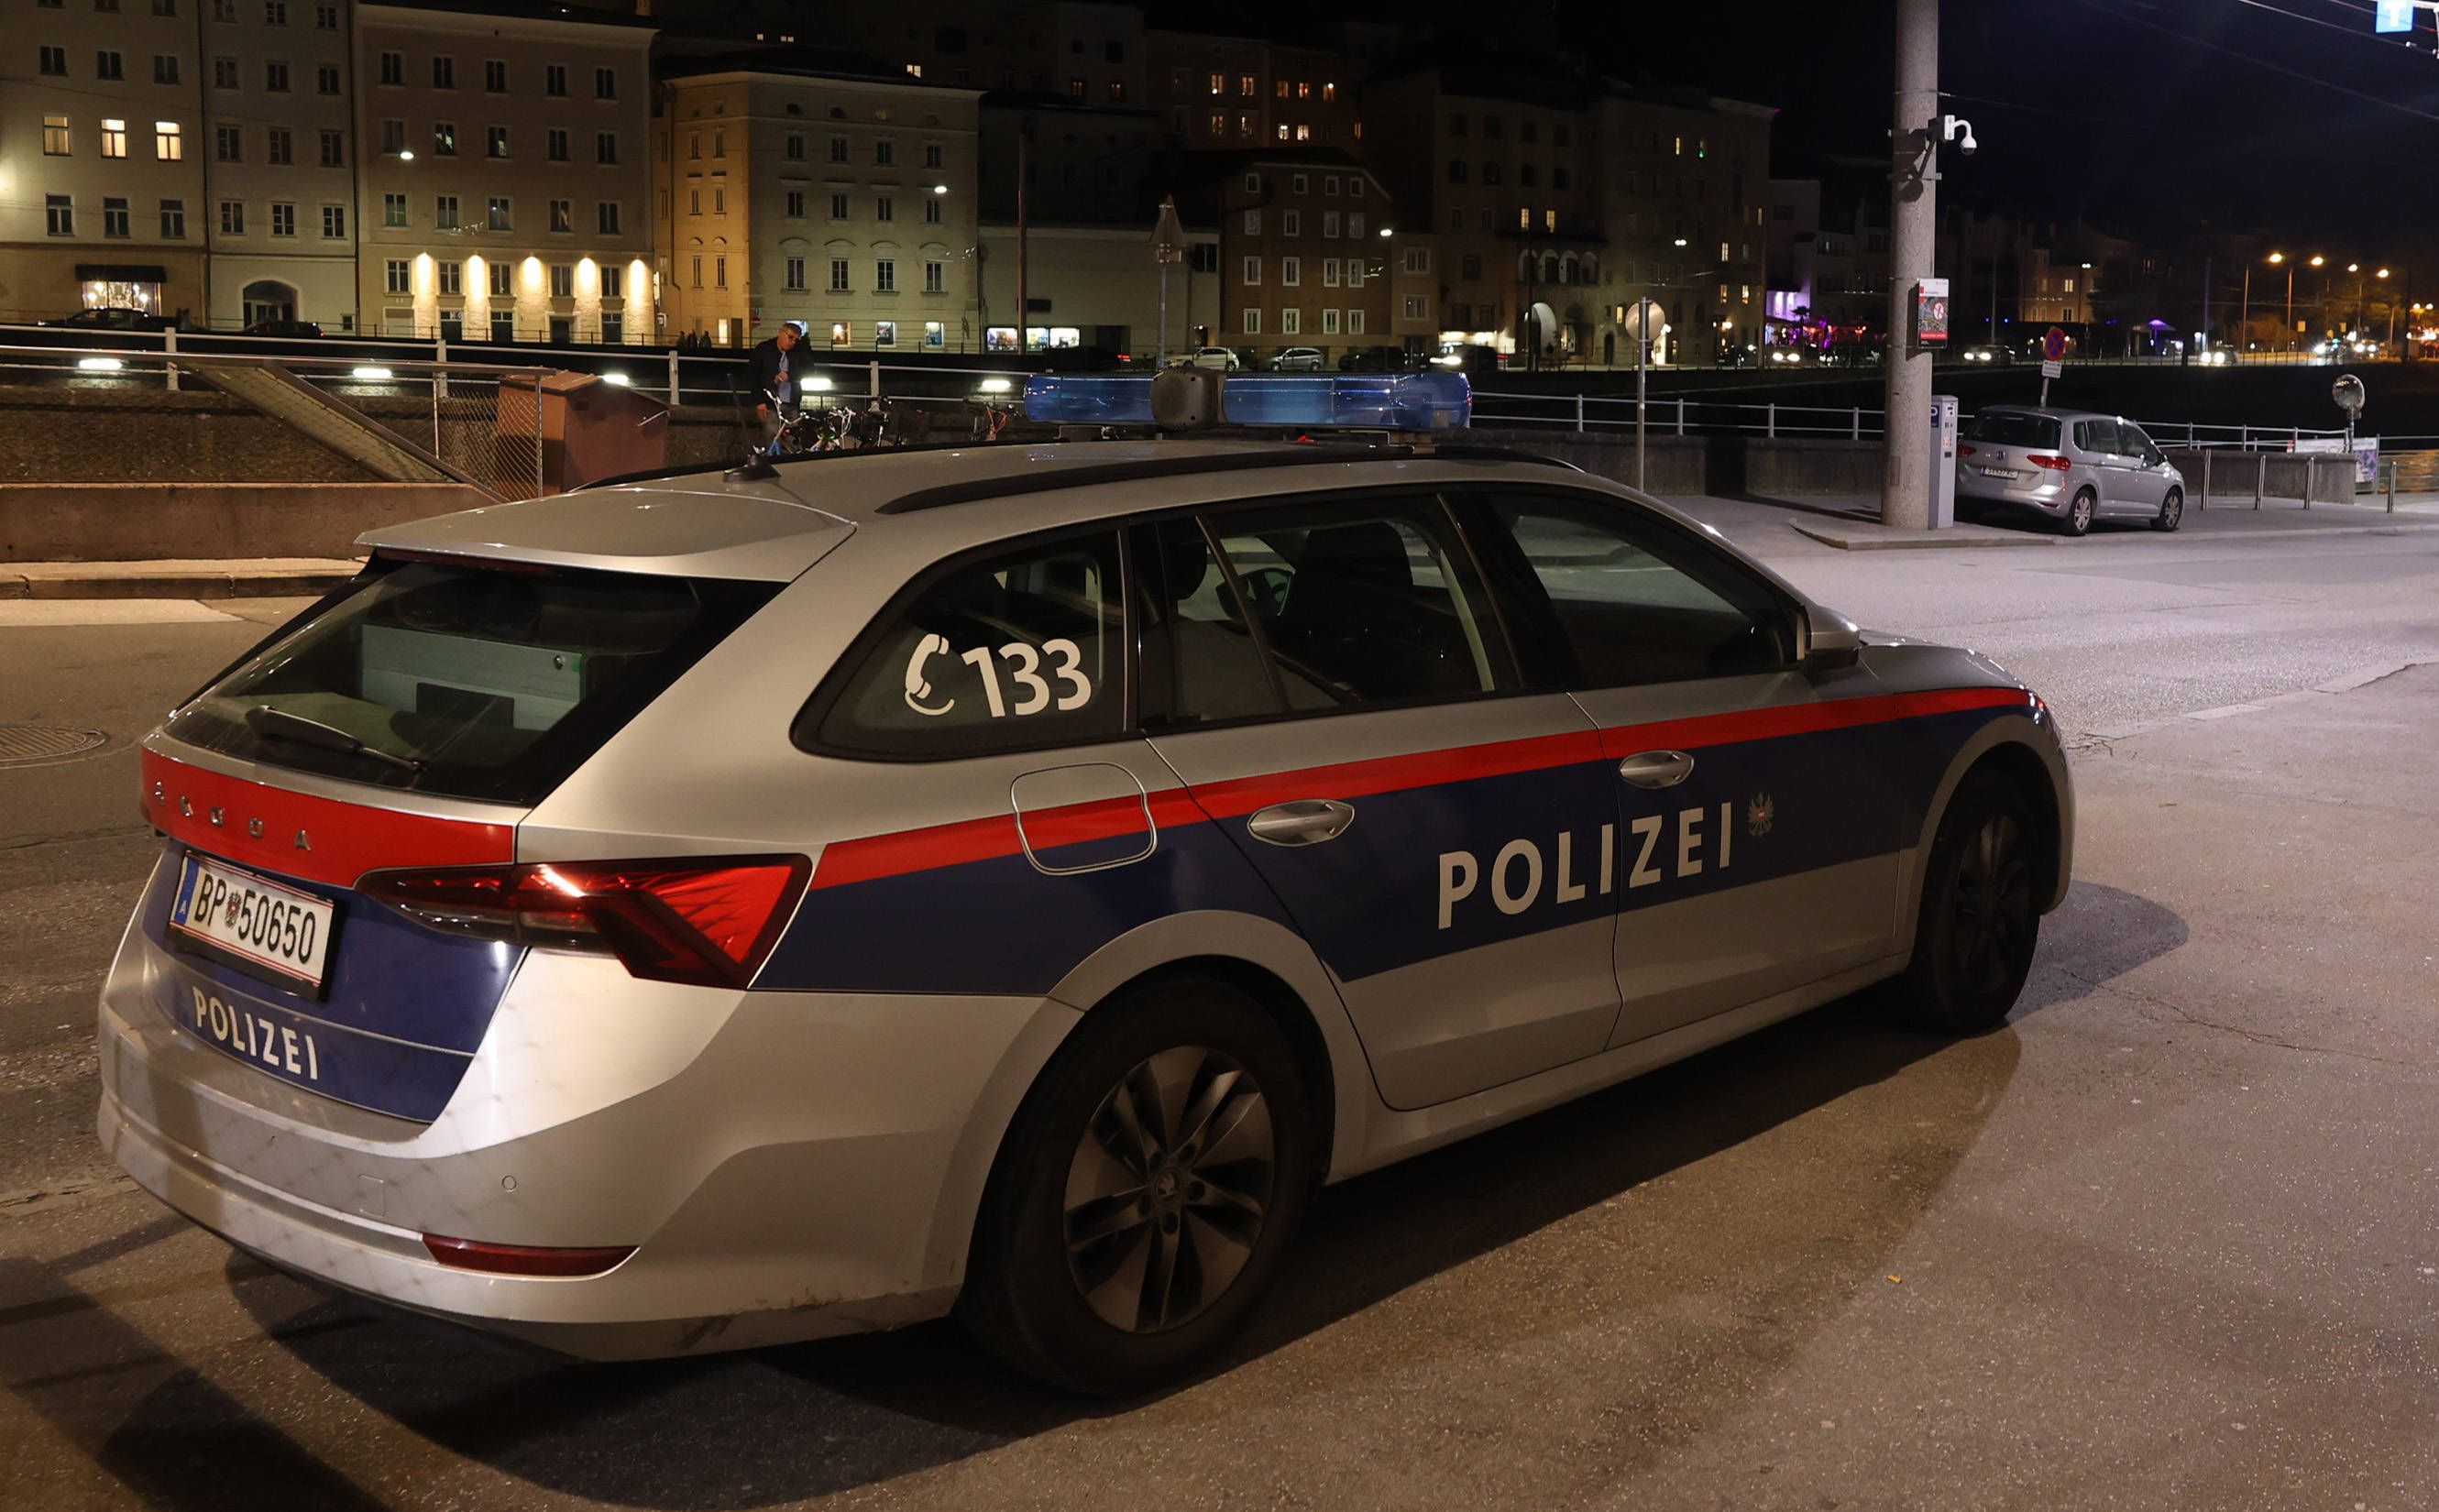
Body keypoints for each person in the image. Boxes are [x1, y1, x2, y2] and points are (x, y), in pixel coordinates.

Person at [748, 321, 805, 454]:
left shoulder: (799, 351)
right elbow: (752, 376)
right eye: (790, 337)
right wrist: (760, 401)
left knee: (793, 441)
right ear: (780, 333)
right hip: (770, 404)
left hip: (791, 404)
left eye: (796, 340)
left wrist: (790, 375)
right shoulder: (764, 349)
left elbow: (808, 369)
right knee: (773, 438)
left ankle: (791, 462)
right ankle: (774, 460)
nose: (793, 342)